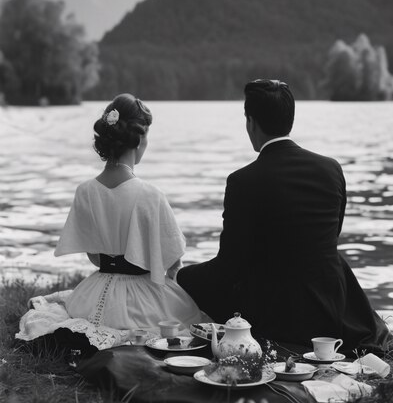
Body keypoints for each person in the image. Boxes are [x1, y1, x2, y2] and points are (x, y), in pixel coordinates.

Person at [177, 79, 392, 355]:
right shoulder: (331, 169)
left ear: (251, 123)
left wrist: (184, 276)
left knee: (196, 280)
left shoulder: (243, 181)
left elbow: (229, 267)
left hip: (274, 312)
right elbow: (328, 238)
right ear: (289, 119)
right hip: (330, 305)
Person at [17, 94, 204, 351]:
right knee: (187, 321)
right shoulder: (151, 195)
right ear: (139, 140)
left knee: (72, 317)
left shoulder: (85, 191)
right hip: (143, 300)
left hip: (94, 293)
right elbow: (173, 263)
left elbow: (94, 258)